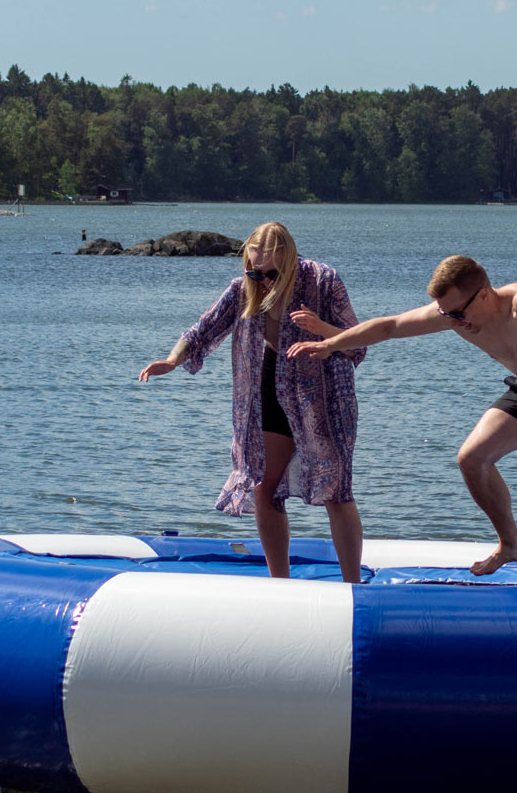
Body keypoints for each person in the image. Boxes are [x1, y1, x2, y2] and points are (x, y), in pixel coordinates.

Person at [288, 243, 517, 584]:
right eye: (447, 315)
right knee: (471, 459)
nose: (455, 322)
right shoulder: (455, 317)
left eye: (459, 313)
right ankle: (510, 545)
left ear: (485, 295)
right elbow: (390, 326)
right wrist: (330, 343)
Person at [138, 222, 367, 582]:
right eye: (254, 271)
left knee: (335, 490)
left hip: (323, 394)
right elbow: (202, 329)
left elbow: (357, 343)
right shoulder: (245, 290)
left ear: (289, 260)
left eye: (271, 272)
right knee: (265, 486)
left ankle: (353, 585)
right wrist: (171, 360)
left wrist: (321, 327)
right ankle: (280, 583)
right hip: (269, 387)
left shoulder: (323, 281)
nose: (264, 280)